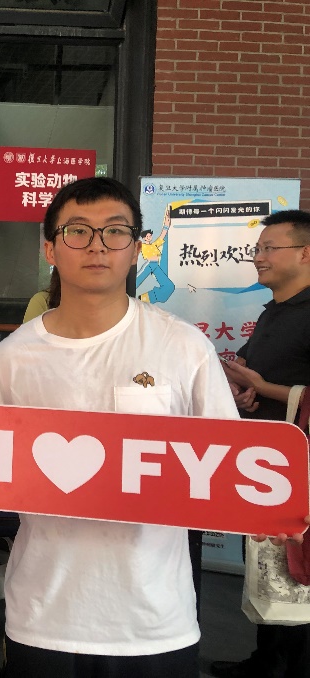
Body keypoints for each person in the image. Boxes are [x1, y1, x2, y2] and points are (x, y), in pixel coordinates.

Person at [0, 177, 239, 678]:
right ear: (50, 248)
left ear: (136, 247)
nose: (97, 245)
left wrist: (264, 513)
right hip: (43, 615)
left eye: (115, 231)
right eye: (77, 231)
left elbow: (229, 467)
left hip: (155, 620)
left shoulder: (183, 347)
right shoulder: (11, 358)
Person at [213, 209, 310, 678]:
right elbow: (257, 376)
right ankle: (266, 661)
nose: (258, 257)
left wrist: (264, 387)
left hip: (302, 468)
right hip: (265, 464)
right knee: (266, 565)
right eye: (258, 248)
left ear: (305, 253)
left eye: (270, 248)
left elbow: (274, 384)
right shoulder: (274, 311)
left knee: (298, 569)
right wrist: (245, 391)